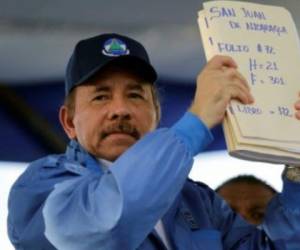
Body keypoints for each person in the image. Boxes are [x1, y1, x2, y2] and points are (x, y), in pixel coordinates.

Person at [7, 33, 300, 250]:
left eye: (135, 95)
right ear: (69, 122)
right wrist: (196, 121)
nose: (119, 109)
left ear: (157, 114)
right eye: (101, 96)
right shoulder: (41, 186)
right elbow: (104, 226)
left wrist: (297, 165)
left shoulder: (198, 202)